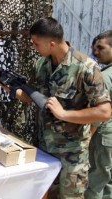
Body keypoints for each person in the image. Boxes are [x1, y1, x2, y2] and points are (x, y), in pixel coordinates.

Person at [0, 17, 111, 198]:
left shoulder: (85, 68)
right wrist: (1, 83)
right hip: (45, 150)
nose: (34, 48)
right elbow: (31, 97)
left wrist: (64, 114)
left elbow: (104, 111)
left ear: (52, 43)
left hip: (72, 155)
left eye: (36, 44)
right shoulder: (42, 65)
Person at [85, 30, 112, 199]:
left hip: (104, 135)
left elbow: (100, 113)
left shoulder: (105, 77)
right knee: (107, 179)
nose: (95, 52)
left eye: (100, 48)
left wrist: (87, 136)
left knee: (96, 180)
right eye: (94, 48)